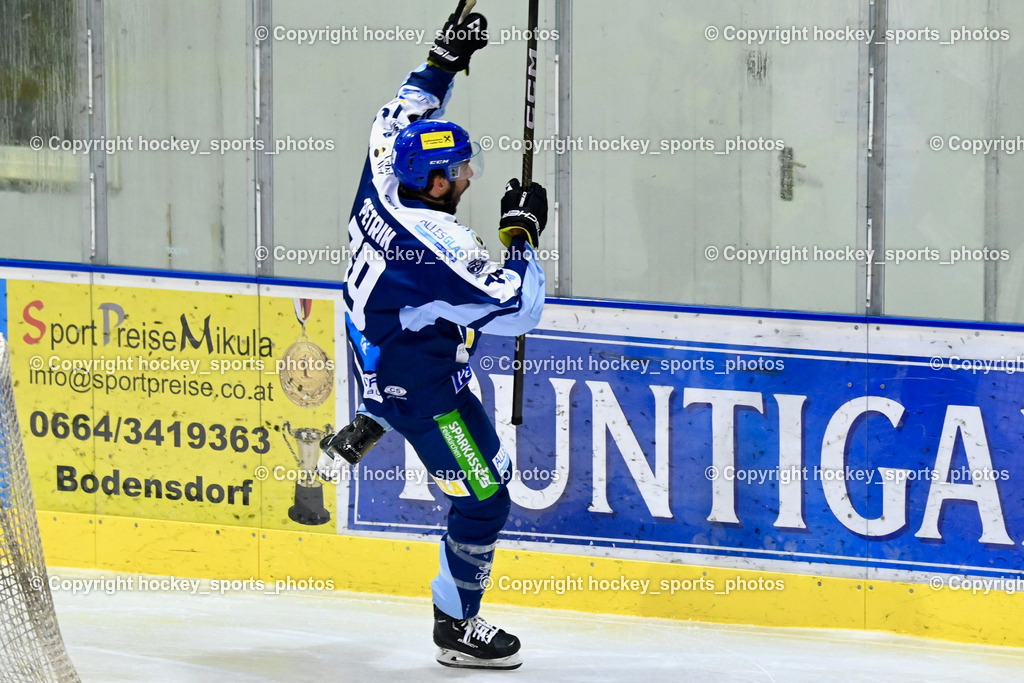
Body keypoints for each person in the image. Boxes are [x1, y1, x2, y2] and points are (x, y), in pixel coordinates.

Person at [317, 5, 547, 671]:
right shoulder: (439, 247)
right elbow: (517, 307)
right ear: (439, 184)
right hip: (424, 388)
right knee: (484, 497)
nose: (472, 177)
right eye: (466, 171)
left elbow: (406, 105)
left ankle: (371, 416)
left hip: (371, 334)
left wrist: (444, 60)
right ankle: (457, 624)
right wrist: (521, 236)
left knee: (409, 350)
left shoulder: (386, 170)